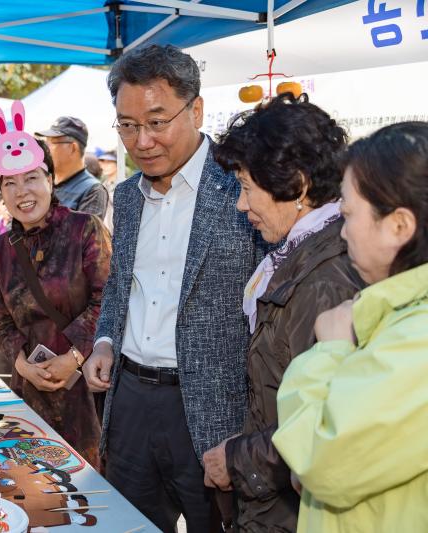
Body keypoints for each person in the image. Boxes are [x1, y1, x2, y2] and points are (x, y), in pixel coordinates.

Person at [81, 44, 267, 532]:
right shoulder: (126, 195)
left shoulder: (241, 188)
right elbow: (122, 288)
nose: (141, 141)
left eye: (157, 122)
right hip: (131, 405)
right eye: (127, 125)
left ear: (196, 109)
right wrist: (104, 341)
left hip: (215, 410)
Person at [199, 94, 365, 532]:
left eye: (248, 188)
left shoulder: (329, 278)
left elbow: (331, 426)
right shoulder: (298, 252)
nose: (240, 205)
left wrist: (237, 460)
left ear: (298, 184)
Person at [271, 122, 428, 532]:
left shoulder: (418, 340)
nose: (342, 232)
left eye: (348, 215)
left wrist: (330, 350)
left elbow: (321, 463)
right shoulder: (397, 314)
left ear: (398, 226)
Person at [0, 101, 111, 468]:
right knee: (37, 490)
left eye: (32, 178)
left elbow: (109, 299)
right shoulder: (1, 249)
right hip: (31, 392)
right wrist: (22, 364)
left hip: (88, 391)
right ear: (1, 192)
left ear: (51, 180)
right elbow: (0, 320)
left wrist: (73, 358)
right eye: (10, 183)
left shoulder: (85, 229)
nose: (22, 191)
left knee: (91, 494)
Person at [36, 116, 108, 220]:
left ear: (73, 148)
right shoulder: (44, 181)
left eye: (50, 143)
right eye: (45, 143)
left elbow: (82, 234)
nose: (45, 149)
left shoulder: (93, 191)